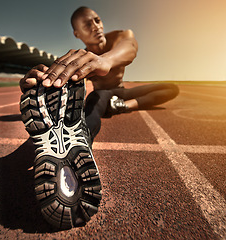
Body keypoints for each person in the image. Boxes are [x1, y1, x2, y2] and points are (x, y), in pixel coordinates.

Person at [19, 6, 179, 229]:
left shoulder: (121, 37)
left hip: (122, 93)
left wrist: (105, 61)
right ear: (77, 34)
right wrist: (42, 83)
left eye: (97, 20)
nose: (96, 26)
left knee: (171, 88)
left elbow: (129, 48)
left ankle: (122, 106)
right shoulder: (77, 59)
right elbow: (61, 79)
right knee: (92, 109)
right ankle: (80, 145)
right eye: (87, 24)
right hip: (101, 95)